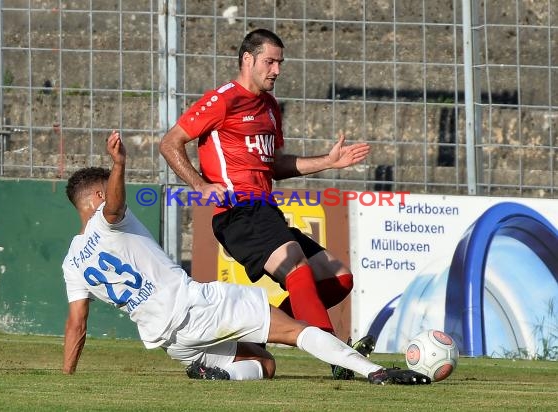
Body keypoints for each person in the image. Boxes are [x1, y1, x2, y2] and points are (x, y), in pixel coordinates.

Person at [61, 130, 429, 385]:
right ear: (97, 196)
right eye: (107, 189)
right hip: (198, 307)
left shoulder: (72, 263)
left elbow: (77, 325)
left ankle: (219, 376)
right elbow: (113, 208)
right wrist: (120, 166)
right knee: (299, 332)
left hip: (172, 343)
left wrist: (68, 377)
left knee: (264, 364)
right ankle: (375, 373)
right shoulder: (109, 220)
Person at [159, 28, 373, 379]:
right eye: (270, 62)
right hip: (237, 211)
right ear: (248, 60)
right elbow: (170, 142)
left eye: (280, 63)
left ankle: (261, 329)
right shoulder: (223, 99)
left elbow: (274, 166)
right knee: (298, 270)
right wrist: (200, 185)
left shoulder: (270, 107)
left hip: (265, 209)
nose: (277, 70)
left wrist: (328, 162)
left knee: (339, 278)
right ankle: (339, 356)